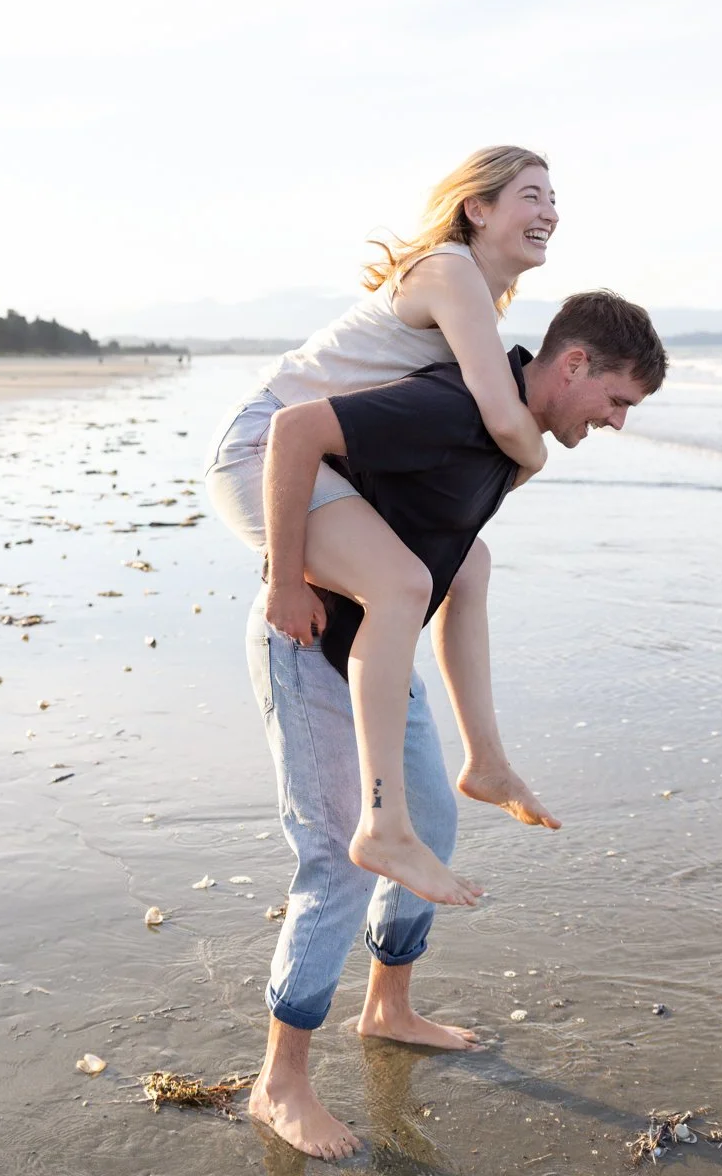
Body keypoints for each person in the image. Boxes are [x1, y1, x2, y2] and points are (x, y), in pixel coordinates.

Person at [246, 291, 668, 1159]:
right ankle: (279, 1083)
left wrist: (485, 744)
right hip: (309, 639)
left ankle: (387, 1007)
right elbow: (292, 432)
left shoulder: (508, 445)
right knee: (340, 860)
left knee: (431, 824)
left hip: (377, 656)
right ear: (574, 364)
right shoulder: (452, 407)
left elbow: (453, 561)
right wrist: (284, 579)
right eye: (618, 399)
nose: (618, 421)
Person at [206, 145, 558, 907]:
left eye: (553, 199)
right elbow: (503, 419)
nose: (550, 213)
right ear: (477, 208)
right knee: (400, 585)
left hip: (315, 459)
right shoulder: (451, 271)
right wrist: (287, 578)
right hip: (263, 450)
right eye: (532, 195)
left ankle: (486, 761)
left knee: (468, 564)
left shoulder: (475, 297)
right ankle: (385, 826)